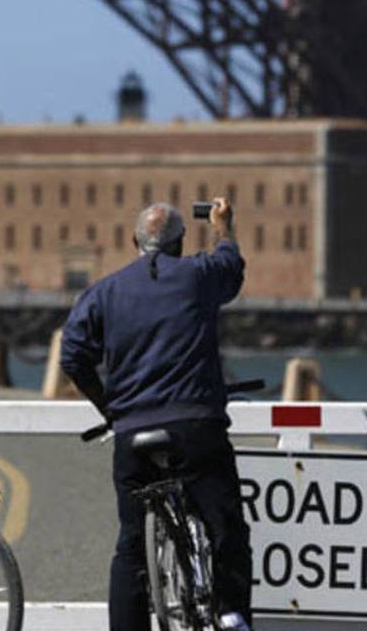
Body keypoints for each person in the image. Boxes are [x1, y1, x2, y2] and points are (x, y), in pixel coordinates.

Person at [60, 197, 253, 631]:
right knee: (226, 527)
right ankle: (231, 614)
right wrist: (222, 226)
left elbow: (72, 356)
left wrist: (109, 407)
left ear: (134, 241)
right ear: (181, 243)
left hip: (132, 434)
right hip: (196, 427)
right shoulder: (197, 275)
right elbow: (231, 266)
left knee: (130, 546)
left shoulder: (103, 291)